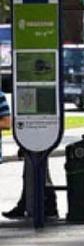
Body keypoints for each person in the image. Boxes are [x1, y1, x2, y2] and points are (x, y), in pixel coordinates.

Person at [1, 91, 58, 220]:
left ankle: (47, 206)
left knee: (39, 174)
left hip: (40, 138)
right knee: (32, 174)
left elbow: (6, 122)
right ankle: (28, 204)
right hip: (35, 138)